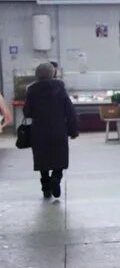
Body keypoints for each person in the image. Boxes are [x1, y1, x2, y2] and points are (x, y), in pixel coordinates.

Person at [23, 62, 78, 198]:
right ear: (52, 73)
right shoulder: (60, 89)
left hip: (39, 131)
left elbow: (27, 112)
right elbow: (70, 111)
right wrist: (73, 130)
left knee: (43, 160)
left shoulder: (31, 91)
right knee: (59, 157)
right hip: (58, 129)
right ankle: (56, 177)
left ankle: (46, 188)